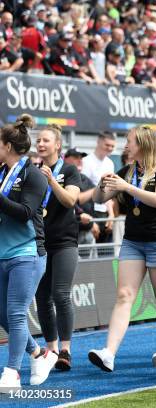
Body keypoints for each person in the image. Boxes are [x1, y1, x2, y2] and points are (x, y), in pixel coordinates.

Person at [88, 126, 156, 372]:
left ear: (144, 144)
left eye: (130, 142)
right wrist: (102, 184)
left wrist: (126, 187)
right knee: (124, 295)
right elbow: (98, 200)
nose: (126, 145)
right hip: (133, 241)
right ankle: (109, 353)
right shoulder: (127, 171)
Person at [0, 115, 58, 391]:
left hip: (27, 252)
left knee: (16, 313)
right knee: (2, 313)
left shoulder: (33, 175)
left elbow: (25, 213)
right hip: (2, 253)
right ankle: (39, 353)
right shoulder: (1, 172)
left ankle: (12, 372)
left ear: (8, 146)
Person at [34, 124, 81, 371]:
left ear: (57, 145)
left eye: (45, 141)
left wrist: (51, 180)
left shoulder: (70, 170)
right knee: (42, 297)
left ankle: (65, 350)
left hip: (64, 241)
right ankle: (50, 348)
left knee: (60, 294)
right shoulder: (31, 170)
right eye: (38, 141)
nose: (40, 144)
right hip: (38, 242)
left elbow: (70, 200)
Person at [81, 131, 116, 245]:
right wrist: (90, 222)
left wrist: (111, 215)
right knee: (89, 255)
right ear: (98, 142)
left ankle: (113, 265)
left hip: (105, 213)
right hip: (90, 213)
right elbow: (83, 192)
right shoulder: (86, 162)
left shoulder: (110, 163)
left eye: (112, 146)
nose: (110, 148)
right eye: (107, 145)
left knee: (108, 254)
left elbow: (109, 191)